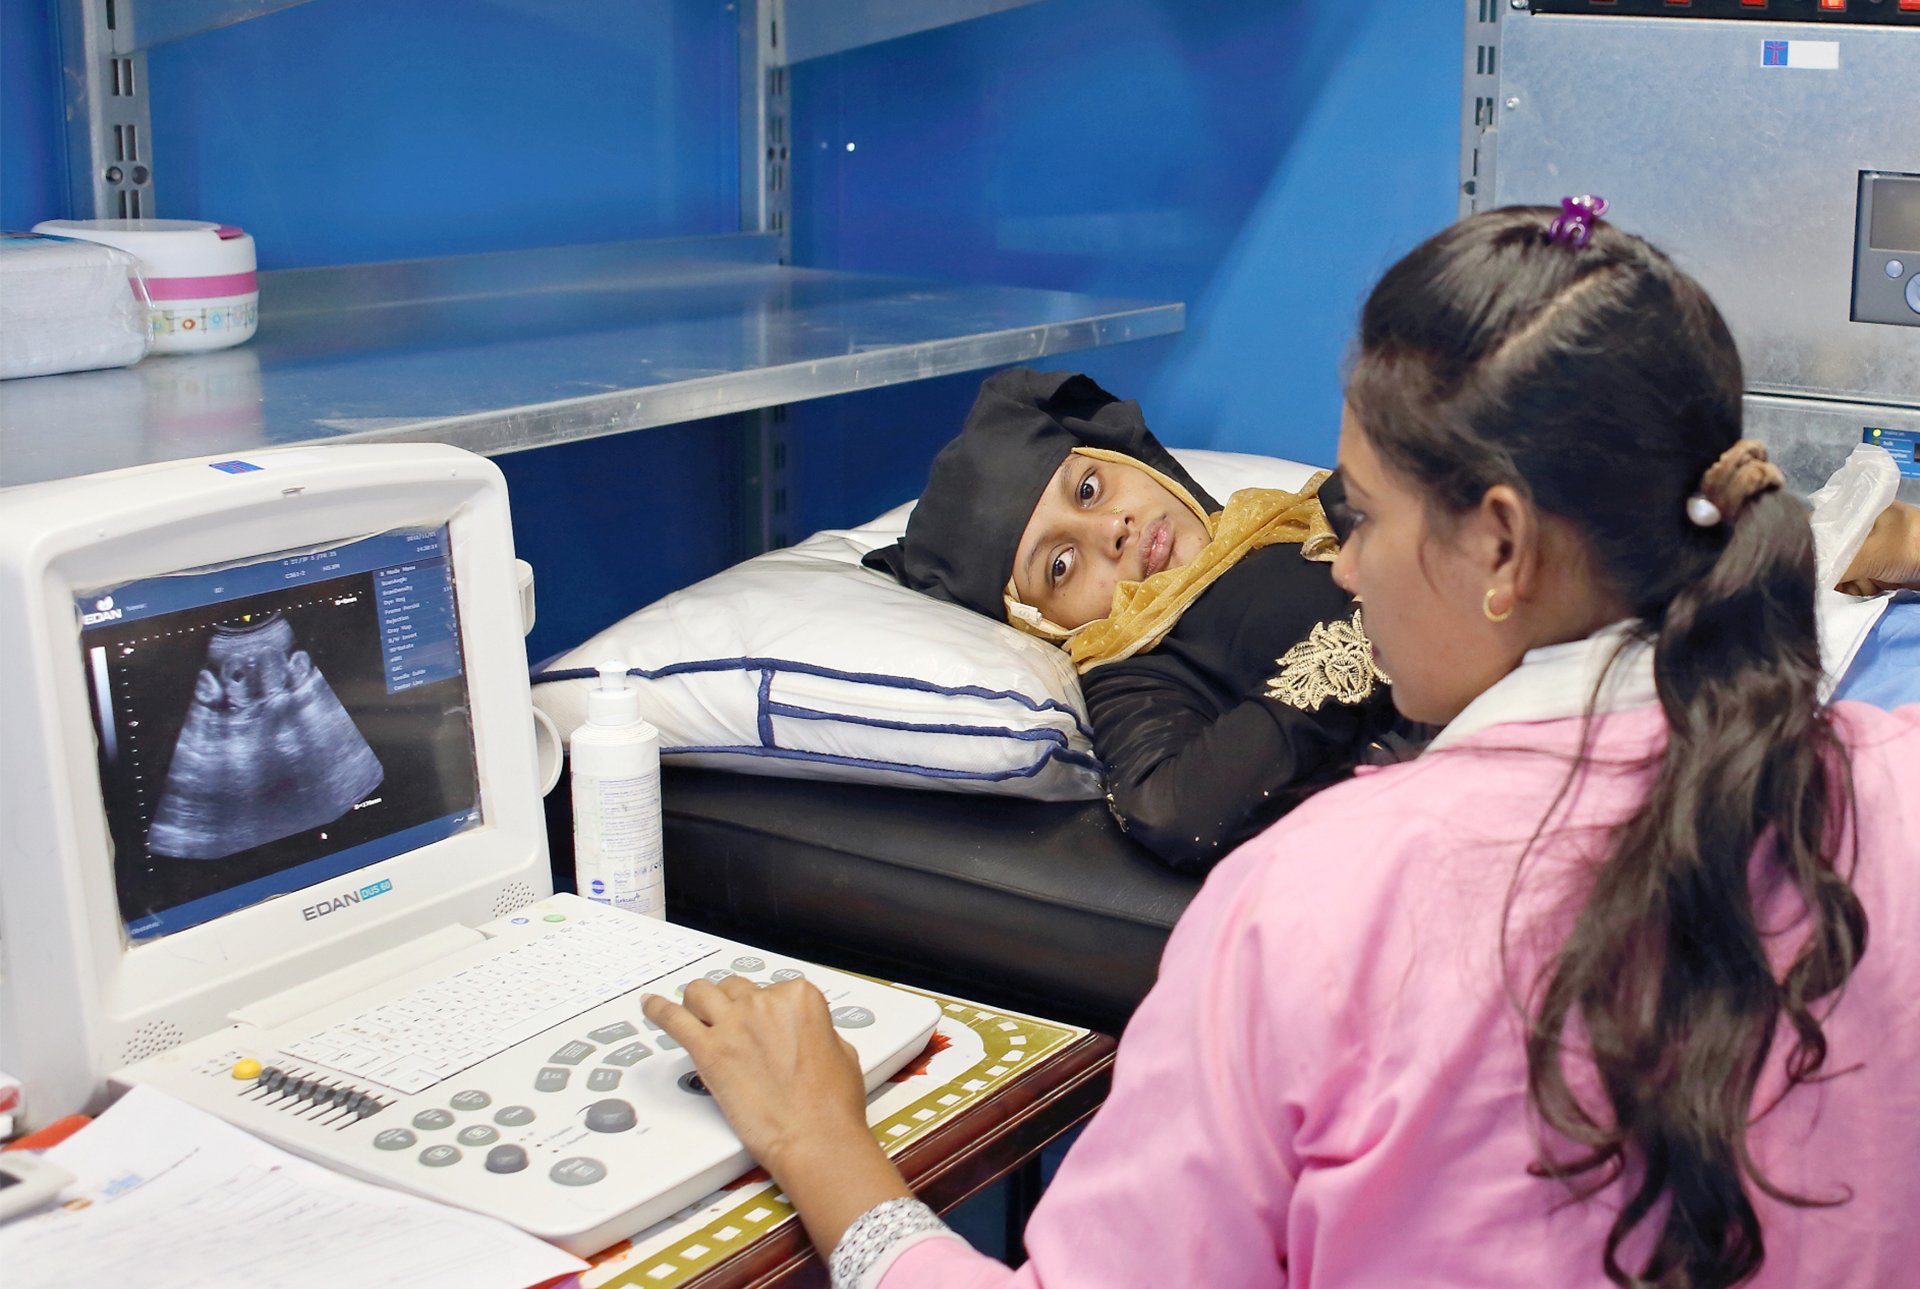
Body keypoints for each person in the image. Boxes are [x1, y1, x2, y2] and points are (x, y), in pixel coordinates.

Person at [640, 201, 1920, 1289]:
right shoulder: (1892, 785)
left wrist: (827, 1150)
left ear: (1502, 544)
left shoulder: (1317, 915)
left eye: (1358, 512)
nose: (1341, 555)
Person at [863, 366, 1415, 872]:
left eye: (1087, 489)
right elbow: (1175, 812)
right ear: (1038, 622)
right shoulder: (1134, 673)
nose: (1111, 529)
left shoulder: (1287, 513)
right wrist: (1374, 630)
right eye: (1060, 565)